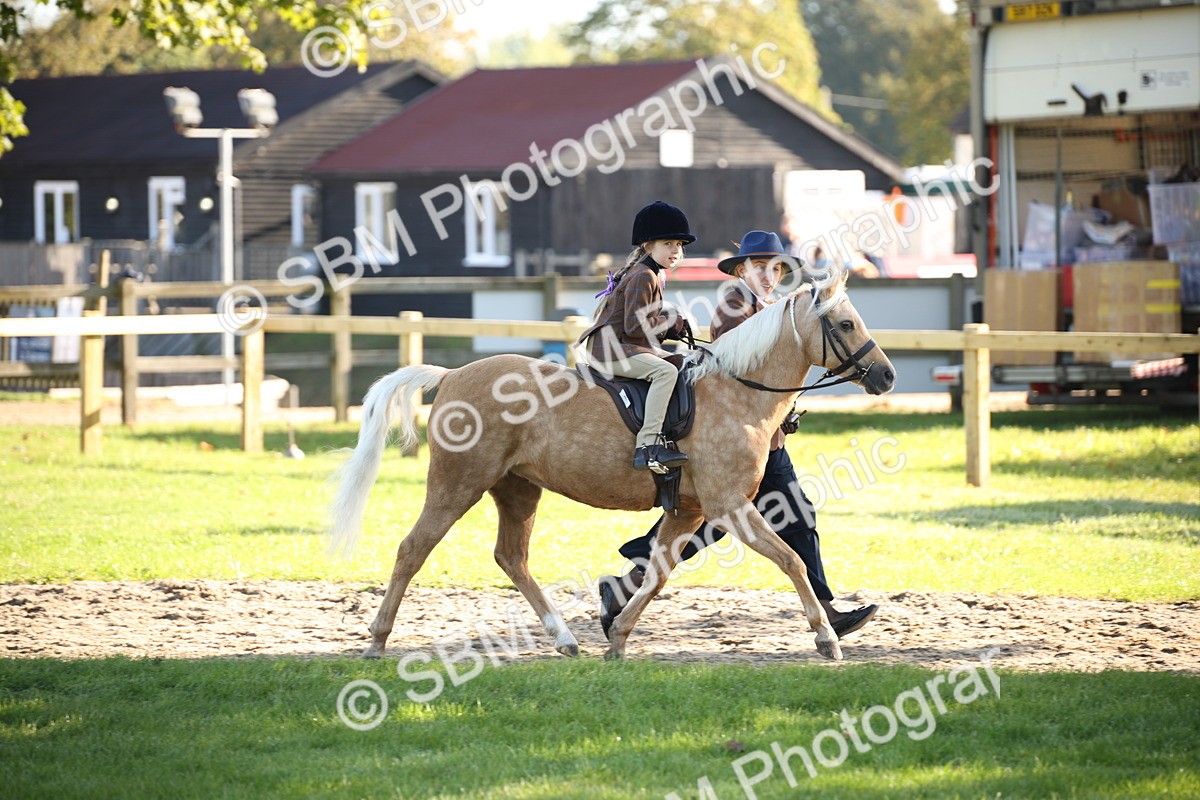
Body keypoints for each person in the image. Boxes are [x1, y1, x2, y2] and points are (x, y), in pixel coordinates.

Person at [597, 230, 878, 639]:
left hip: (761, 439)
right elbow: (734, 371)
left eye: (776, 268)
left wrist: (784, 412)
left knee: (756, 517)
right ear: (741, 270)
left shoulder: (774, 308)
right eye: (759, 267)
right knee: (723, 517)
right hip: (733, 440)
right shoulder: (735, 306)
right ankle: (629, 582)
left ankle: (627, 583)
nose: (768, 275)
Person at [578, 200, 695, 472]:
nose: (676, 250)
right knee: (665, 372)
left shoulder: (650, 272)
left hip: (621, 346)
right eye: (668, 243)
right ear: (648, 246)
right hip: (610, 350)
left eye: (679, 245)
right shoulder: (644, 276)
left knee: (683, 361)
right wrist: (671, 322)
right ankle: (648, 445)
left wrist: (670, 326)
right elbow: (635, 327)